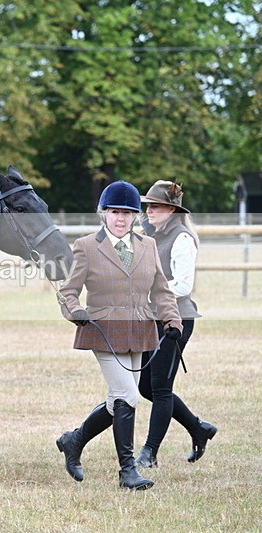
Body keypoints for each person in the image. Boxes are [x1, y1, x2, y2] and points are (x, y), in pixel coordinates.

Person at [55, 180, 183, 490]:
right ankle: (128, 471)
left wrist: (172, 319)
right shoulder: (86, 246)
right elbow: (68, 291)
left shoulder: (147, 246)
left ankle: (74, 440)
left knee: (118, 399)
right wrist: (76, 312)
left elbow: (161, 289)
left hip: (139, 329)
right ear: (103, 214)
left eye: (128, 212)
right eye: (115, 212)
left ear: (136, 216)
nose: (121, 218)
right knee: (128, 395)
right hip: (103, 330)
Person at [134, 180, 217, 468]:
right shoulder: (146, 233)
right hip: (149, 319)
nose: (149, 210)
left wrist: (146, 289)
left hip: (175, 321)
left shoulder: (182, 238)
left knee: (160, 388)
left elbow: (183, 284)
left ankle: (149, 452)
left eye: (155, 206)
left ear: (171, 209)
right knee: (146, 387)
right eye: (148, 206)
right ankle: (198, 428)